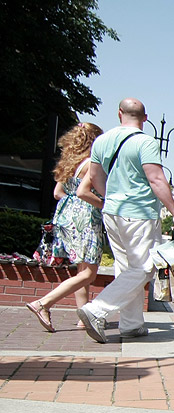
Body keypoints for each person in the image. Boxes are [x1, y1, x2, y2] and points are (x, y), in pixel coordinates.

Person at [76, 98, 174, 343]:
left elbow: (94, 176)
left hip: (112, 213)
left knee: (126, 268)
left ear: (119, 114)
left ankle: (131, 324)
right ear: (145, 118)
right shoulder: (145, 141)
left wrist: (112, 199)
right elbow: (156, 179)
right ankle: (96, 310)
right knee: (147, 266)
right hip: (139, 213)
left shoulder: (101, 141)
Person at [26, 123, 106, 332]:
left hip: (67, 220)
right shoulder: (91, 164)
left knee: (81, 269)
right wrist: (106, 206)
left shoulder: (69, 163)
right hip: (87, 220)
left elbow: (57, 193)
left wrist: (72, 207)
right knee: (88, 274)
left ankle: (83, 317)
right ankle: (43, 303)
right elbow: (85, 193)